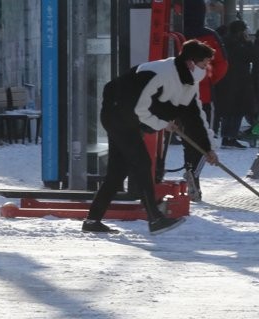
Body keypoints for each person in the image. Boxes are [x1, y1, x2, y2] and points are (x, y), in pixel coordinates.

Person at [82, 40, 219, 235]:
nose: (206, 69)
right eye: (204, 64)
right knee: (142, 163)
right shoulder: (159, 72)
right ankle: (154, 219)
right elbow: (139, 108)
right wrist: (163, 123)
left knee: (117, 172)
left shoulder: (189, 82)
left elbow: (195, 118)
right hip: (117, 114)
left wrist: (207, 149)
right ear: (190, 63)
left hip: (131, 118)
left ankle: (92, 220)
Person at [182, 0, 228, 201]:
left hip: (174, 97)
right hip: (202, 97)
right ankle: (194, 177)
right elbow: (222, 64)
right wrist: (205, 81)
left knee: (184, 141)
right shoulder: (209, 36)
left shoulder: (175, 32)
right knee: (201, 140)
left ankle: (187, 177)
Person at [214, 20, 256, 149]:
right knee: (237, 110)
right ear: (240, 31)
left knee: (228, 110)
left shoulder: (223, 42)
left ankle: (226, 136)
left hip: (225, 80)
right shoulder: (239, 44)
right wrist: (248, 43)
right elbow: (251, 56)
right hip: (238, 81)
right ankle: (231, 136)